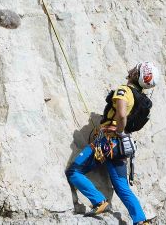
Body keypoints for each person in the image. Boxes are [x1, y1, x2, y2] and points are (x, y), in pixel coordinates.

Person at [65, 62, 159, 223]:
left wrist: (118, 130)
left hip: (107, 141)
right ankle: (140, 220)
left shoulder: (124, 91)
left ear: (137, 74)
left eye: (136, 68)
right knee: (122, 187)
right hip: (122, 145)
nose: (132, 69)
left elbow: (121, 115)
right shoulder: (140, 99)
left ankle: (98, 200)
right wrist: (122, 132)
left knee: (73, 171)